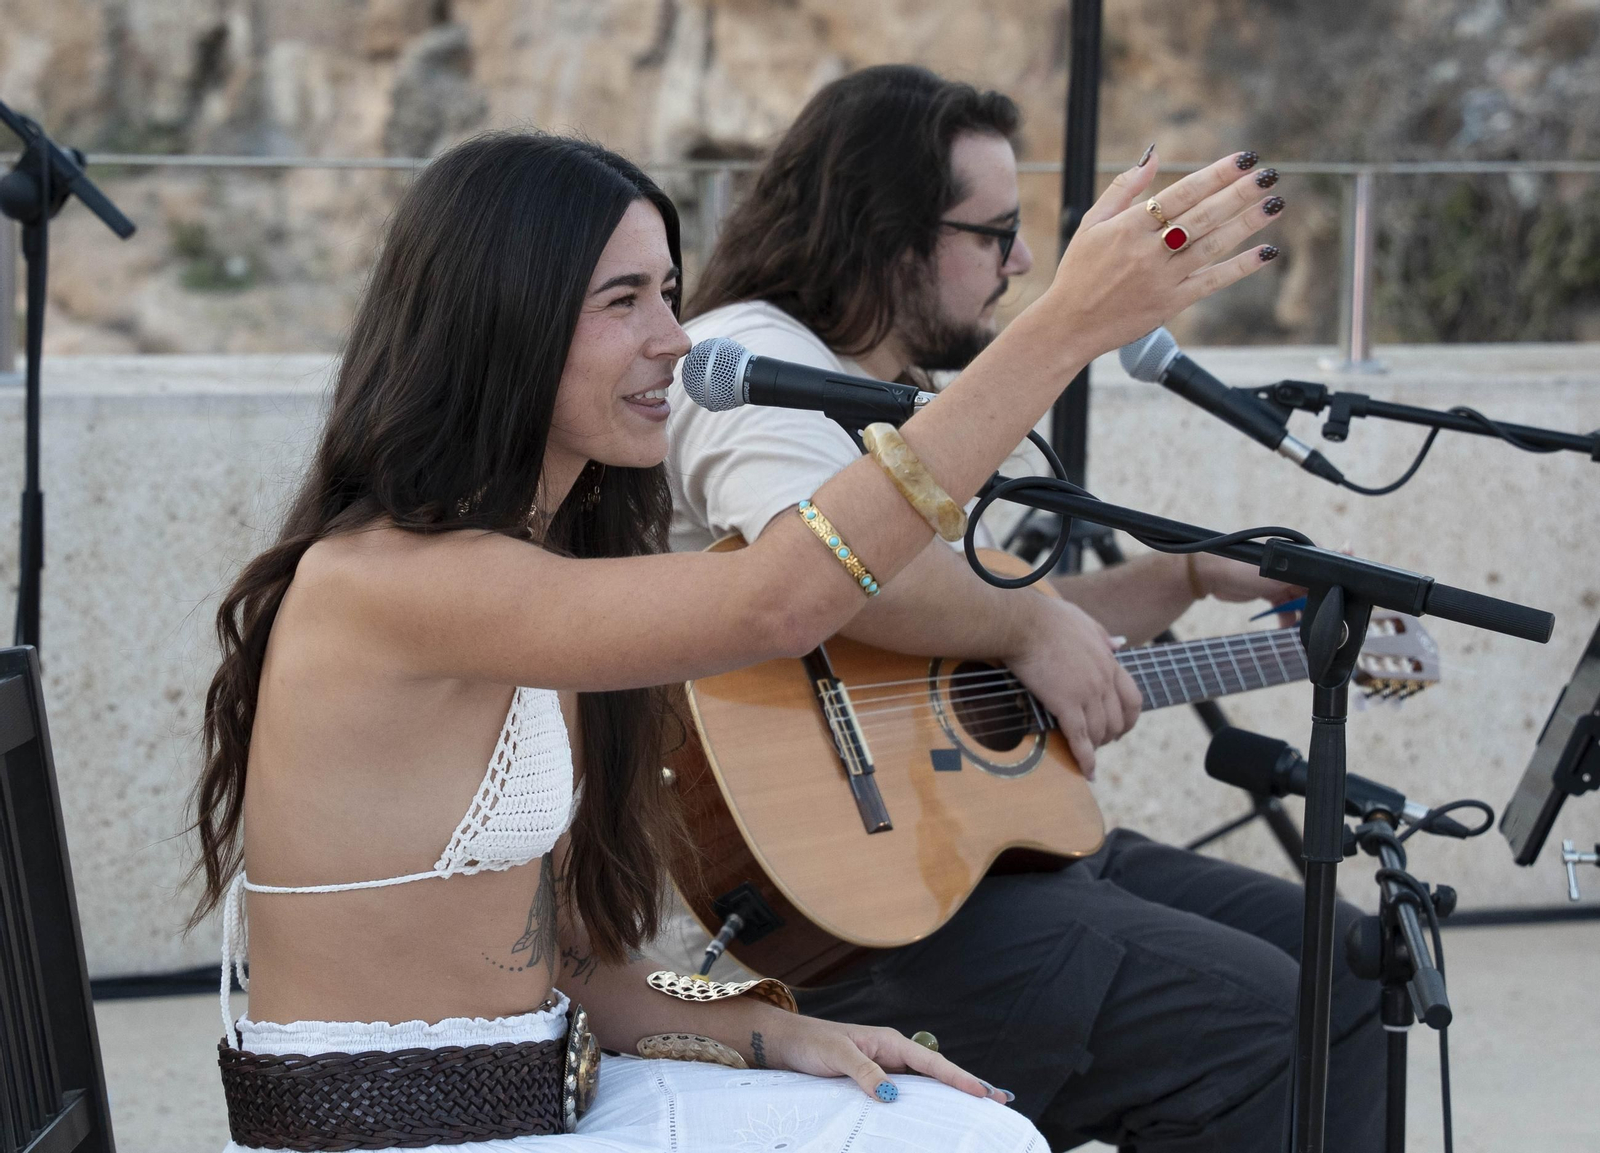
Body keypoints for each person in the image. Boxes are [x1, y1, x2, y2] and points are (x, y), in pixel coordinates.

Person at [185, 128, 1274, 1152]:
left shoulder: (529, 583)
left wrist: (775, 1028)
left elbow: (564, 967)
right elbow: (781, 599)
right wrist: (1062, 328)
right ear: (500, 320)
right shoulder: (396, 581)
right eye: (623, 300)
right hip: (402, 1133)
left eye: (669, 291)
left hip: (543, 1092)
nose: (674, 337)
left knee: (952, 1117)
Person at [664, 66, 1382, 1152]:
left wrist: (1185, 576)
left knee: (1355, 963)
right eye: (995, 231)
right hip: (846, 902)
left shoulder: (887, 386)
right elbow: (825, 573)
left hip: (970, 859)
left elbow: (977, 623)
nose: (1022, 260)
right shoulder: (755, 360)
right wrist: (1029, 624)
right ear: (886, 231)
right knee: (1264, 1018)